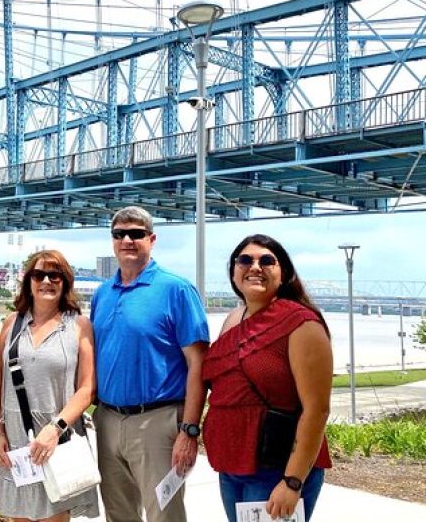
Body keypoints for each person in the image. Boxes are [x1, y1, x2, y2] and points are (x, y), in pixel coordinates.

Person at [202, 234, 333, 522]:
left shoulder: (302, 324)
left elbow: (317, 409)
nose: (255, 267)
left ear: (283, 272)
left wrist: (293, 481)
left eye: (267, 261)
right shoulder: (233, 319)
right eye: (245, 260)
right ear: (234, 271)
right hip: (232, 466)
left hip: (276, 469)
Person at [91, 206, 210, 522]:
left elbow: (199, 365)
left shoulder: (176, 290)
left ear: (152, 239)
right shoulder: (102, 294)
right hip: (107, 420)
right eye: (119, 234)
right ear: (112, 241)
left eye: (136, 234)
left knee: (164, 515)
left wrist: (189, 430)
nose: (127, 240)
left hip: (158, 422)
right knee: (118, 514)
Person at [0, 249, 98, 522]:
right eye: (39, 274)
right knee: (19, 517)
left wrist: (55, 429)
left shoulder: (78, 325)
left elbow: (87, 388)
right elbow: (0, 381)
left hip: (56, 437)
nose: (46, 281)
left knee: (55, 515)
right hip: (16, 439)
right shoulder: (12, 323)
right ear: (29, 281)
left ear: (65, 281)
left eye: (55, 275)